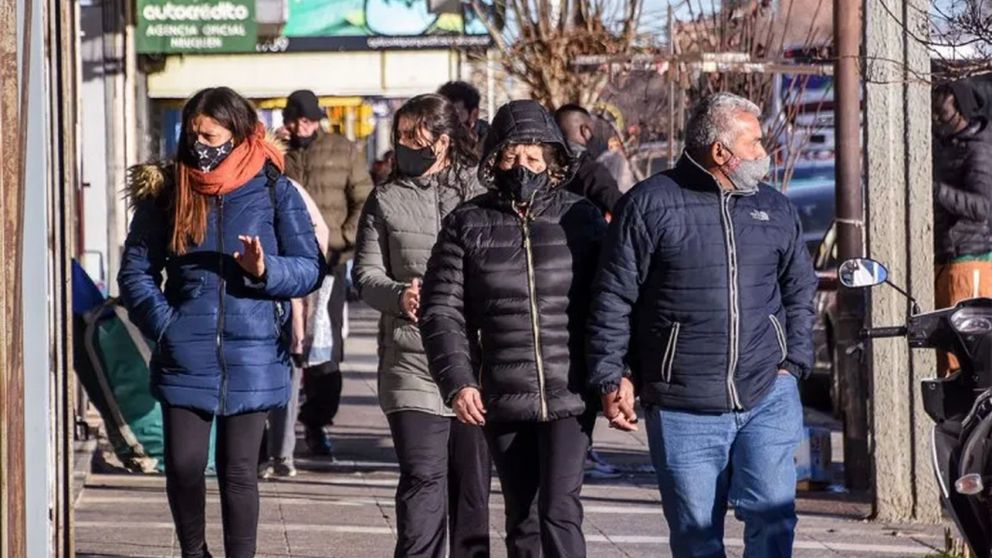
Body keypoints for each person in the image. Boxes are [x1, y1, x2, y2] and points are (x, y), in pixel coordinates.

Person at [587, 92, 817, 558]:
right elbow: (613, 296)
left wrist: (793, 362)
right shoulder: (649, 204)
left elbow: (800, 287)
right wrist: (611, 375)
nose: (762, 154)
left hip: (767, 393)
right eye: (753, 144)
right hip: (682, 403)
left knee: (773, 518)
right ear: (720, 152)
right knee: (695, 534)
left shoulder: (773, 208)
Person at [118, 86, 324, 558]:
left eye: (210, 135)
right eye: (192, 135)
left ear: (237, 133)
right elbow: (136, 270)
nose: (200, 145)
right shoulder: (168, 190)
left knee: (238, 473)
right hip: (184, 346)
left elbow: (311, 266)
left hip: (253, 350)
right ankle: (194, 552)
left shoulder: (275, 187)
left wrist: (264, 269)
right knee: (185, 466)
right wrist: (165, 324)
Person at [420, 99, 607, 558]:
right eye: (510, 156)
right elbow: (440, 309)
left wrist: (615, 372)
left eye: (533, 157)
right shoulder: (467, 223)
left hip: (569, 390)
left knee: (560, 509)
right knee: (522, 514)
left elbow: (607, 300)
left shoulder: (579, 219)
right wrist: (458, 381)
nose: (522, 167)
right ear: (493, 160)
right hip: (502, 392)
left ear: (553, 160)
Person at [352, 94, 490, 558]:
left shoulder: (479, 193)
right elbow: (366, 275)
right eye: (400, 137)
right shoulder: (384, 199)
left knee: (470, 489)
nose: (405, 146)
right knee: (422, 477)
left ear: (444, 141)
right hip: (410, 360)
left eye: (415, 137)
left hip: (475, 364)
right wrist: (398, 295)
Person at [282, 89, 374, 456]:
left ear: (318, 118)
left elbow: (364, 200)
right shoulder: (279, 152)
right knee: (288, 348)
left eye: (306, 119)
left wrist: (340, 238)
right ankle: (279, 432)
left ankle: (317, 422)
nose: (300, 126)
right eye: (294, 119)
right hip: (285, 267)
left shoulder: (343, 150)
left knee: (326, 349)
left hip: (330, 266)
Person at [259, 182, 331, 479]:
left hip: (286, 299)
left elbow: (317, 239)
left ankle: (280, 453)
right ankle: (269, 454)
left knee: (286, 377)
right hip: (257, 302)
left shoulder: (285, 189)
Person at [933, 81, 992, 376]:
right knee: (948, 355)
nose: (937, 120)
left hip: (970, 260)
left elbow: (982, 206)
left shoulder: (978, 149)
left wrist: (937, 192)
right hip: (946, 259)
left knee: (970, 354)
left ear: (961, 111)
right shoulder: (948, 145)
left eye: (942, 113)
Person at [554, 104, 622, 216]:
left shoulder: (542, 168)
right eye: (592, 129)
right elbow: (623, 211)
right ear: (584, 131)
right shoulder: (592, 172)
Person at [438, 80, 491, 148]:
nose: (447, 121)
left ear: (474, 114)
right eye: (442, 115)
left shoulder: (492, 145)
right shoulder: (433, 140)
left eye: (454, 115)